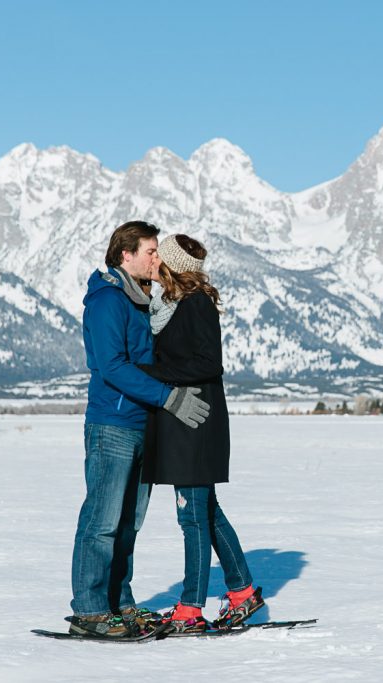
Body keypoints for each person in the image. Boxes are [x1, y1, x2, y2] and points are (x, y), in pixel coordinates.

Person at [69, 221, 212, 638]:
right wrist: (169, 398)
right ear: (125, 255)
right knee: (102, 522)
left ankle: (120, 603)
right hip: (112, 424)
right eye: (151, 251)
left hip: (141, 425)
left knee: (128, 524)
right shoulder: (108, 301)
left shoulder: (140, 299)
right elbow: (112, 366)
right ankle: (90, 611)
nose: (157, 258)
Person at [139, 234, 264, 633]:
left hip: (195, 422)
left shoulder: (195, 304)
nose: (152, 260)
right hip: (183, 423)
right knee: (206, 513)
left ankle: (190, 607)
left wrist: (150, 373)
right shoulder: (169, 305)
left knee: (192, 517)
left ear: (171, 266)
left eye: (158, 256)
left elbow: (210, 364)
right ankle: (242, 592)